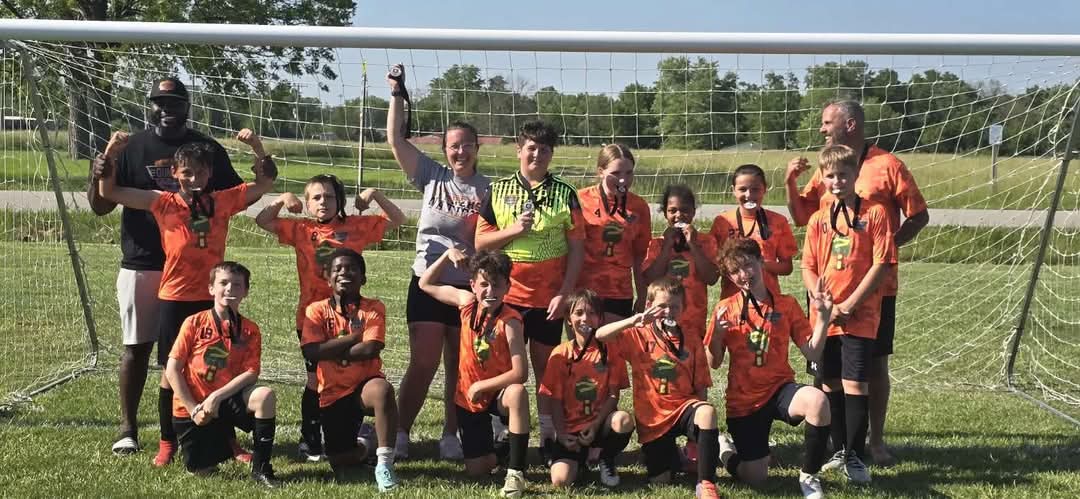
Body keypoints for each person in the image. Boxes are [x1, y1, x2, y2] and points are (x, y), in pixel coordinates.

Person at [86, 77, 244, 457]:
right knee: (138, 349)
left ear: (187, 106)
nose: (166, 110)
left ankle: (216, 434)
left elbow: (230, 196)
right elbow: (101, 204)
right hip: (143, 262)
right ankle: (128, 429)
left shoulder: (208, 149)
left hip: (196, 273)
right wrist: (99, 171)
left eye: (174, 104)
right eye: (160, 103)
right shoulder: (132, 147)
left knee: (207, 351)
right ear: (150, 106)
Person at [99, 127, 275, 467]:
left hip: (212, 302)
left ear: (210, 174)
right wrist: (110, 151)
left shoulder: (222, 201)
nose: (194, 178)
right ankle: (168, 443)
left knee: (217, 367)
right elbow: (109, 190)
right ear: (175, 174)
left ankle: (229, 442)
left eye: (201, 172)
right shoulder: (161, 202)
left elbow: (264, 183)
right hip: (175, 299)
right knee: (170, 371)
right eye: (187, 172)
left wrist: (255, 145)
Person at [785, 99, 929, 465]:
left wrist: (882, 248)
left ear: (850, 124)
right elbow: (804, 215)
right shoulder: (829, 167)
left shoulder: (888, 164)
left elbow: (919, 215)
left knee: (872, 366)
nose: (821, 128)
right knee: (828, 369)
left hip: (874, 290)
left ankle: (873, 443)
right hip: (827, 289)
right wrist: (790, 183)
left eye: (827, 121)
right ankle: (837, 446)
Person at [255, 175, 404, 461]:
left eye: (330, 197)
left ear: (340, 201)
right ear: (308, 203)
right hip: (312, 319)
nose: (324, 202)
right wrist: (283, 198)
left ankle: (354, 427)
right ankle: (310, 440)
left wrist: (374, 193)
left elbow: (397, 219)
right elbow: (262, 220)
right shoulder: (300, 229)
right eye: (316, 197)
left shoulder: (356, 227)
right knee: (315, 379)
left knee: (350, 374)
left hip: (350, 318)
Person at [386, 63, 490, 460]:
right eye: (453, 145)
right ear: (445, 150)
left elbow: (492, 237)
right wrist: (397, 94)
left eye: (466, 145)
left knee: (458, 363)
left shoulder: (489, 189)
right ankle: (399, 431)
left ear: (477, 148)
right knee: (424, 361)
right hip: (428, 281)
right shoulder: (432, 176)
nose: (459, 151)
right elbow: (395, 139)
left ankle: (451, 433)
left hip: (465, 289)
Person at [475, 120, 585, 461]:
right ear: (519, 150)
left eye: (545, 149)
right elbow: (481, 241)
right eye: (531, 148)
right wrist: (512, 230)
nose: (537, 154)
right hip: (507, 298)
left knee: (546, 371)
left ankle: (550, 438)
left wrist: (565, 293)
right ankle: (502, 434)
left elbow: (578, 249)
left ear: (552, 154)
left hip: (548, 298)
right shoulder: (498, 190)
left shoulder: (566, 193)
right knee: (502, 368)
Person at [800, 144, 897, 484]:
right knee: (829, 382)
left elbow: (882, 263)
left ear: (856, 175)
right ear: (823, 179)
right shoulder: (817, 219)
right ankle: (839, 449)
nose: (837, 181)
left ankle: (856, 456)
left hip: (860, 313)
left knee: (856, 382)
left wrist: (851, 303)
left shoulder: (876, 213)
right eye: (830, 176)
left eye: (843, 174)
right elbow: (808, 266)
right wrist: (821, 300)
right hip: (825, 318)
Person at [706, 238, 832, 499]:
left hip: (779, 389)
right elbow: (713, 362)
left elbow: (812, 351)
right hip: (744, 402)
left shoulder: (786, 305)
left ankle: (809, 476)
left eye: (748, 266)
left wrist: (823, 319)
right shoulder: (724, 310)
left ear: (761, 262)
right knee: (756, 477)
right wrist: (717, 336)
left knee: (818, 400)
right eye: (735, 271)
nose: (744, 275)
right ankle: (726, 451)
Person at [595, 277, 722, 499]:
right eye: (662, 306)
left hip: (684, 408)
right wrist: (634, 320)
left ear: (683, 309)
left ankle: (707, 483)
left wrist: (697, 436)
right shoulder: (637, 335)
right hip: (653, 419)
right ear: (649, 306)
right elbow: (600, 335)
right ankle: (677, 456)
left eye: (675, 306)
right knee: (661, 480)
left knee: (707, 411)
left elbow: (701, 384)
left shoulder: (691, 338)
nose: (669, 311)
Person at [418, 249, 531, 498]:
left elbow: (521, 372)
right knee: (476, 470)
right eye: (484, 285)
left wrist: (483, 386)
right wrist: (447, 255)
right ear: (472, 285)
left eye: (497, 285)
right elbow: (425, 283)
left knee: (517, 393)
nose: (490, 291)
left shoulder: (511, 321)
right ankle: (503, 447)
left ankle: (516, 473)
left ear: (507, 286)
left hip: (495, 395)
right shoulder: (466, 303)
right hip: (468, 398)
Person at [164, 262, 278, 487]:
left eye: (237, 285)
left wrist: (216, 397)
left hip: (223, 402)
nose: (230, 289)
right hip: (194, 407)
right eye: (223, 283)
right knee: (202, 470)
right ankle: (212, 445)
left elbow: (251, 373)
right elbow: (172, 369)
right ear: (211, 288)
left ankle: (261, 467)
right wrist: (192, 409)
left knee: (265, 396)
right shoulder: (194, 323)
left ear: (246, 291)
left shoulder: (250, 329)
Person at [299, 248, 400, 491]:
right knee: (341, 462)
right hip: (332, 392)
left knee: (382, 390)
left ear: (363, 278)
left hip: (363, 386)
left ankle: (385, 463)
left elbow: (370, 350)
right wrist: (355, 337)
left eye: (352, 268)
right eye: (338, 269)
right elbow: (310, 352)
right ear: (327, 276)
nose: (345, 273)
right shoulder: (316, 310)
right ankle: (366, 444)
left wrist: (328, 349)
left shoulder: (373, 307)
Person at [538, 289, 634, 488]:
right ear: (568, 319)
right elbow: (554, 400)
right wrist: (562, 435)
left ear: (600, 319)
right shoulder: (560, 353)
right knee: (560, 480)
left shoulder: (611, 351)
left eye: (591, 313)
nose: (585, 319)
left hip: (599, 427)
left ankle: (605, 458)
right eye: (578, 313)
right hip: (571, 431)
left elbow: (614, 395)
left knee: (623, 420)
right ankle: (581, 462)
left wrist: (596, 425)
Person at [576, 144, 651, 322]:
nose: (623, 180)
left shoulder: (639, 207)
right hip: (582, 290)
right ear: (600, 171)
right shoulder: (579, 199)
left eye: (629, 173)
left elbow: (641, 255)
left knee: (613, 348)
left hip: (619, 292)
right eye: (616, 174)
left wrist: (642, 296)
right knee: (583, 348)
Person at [642, 184, 720, 343]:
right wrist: (667, 247)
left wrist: (693, 245)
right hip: (661, 316)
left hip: (693, 319)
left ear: (693, 211)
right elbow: (649, 279)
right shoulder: (657, 244)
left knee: (690, 361)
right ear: (665, 213)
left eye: (685, 210)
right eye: (672, 211)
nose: (679, 215)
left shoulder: (706, 242)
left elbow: (711, 278)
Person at [710, 164, 798, 298]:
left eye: (755, 189)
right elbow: (714, 266)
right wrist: (737, 266)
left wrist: (760, 264)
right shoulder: (722, 221)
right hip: (732, 299)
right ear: (733, 190)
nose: (749, 195)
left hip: (767, 298)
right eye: (742, 189)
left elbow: (787, 268)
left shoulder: (778, 221)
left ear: (765, 189)